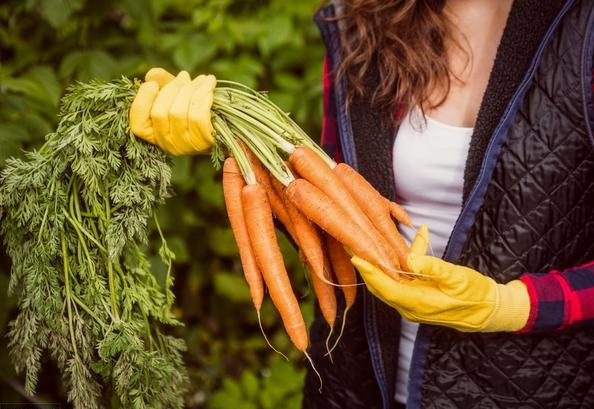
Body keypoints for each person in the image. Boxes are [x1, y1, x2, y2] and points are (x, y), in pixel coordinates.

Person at [129, 0, 594, 407]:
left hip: (534, 386)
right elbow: (328, 208)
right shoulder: (360, 21)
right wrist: (240, 148)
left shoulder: (582, 29)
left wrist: (513, 305)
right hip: (360, 380)